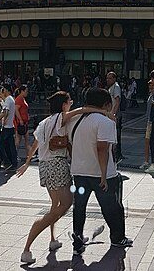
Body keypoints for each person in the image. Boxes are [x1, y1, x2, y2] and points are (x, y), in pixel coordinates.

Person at [17, 91, 84, 265]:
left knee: (55, 205)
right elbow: (81, 111)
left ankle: (52, 239)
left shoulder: (44, 122)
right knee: (66, 204)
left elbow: (35, 145)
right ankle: (30, 241)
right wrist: (101, 111)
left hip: (44, 166)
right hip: (57, 164)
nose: (71, 104)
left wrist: (27, 162)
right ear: (63, 105)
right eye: (69, 102)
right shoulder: (61, 117)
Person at [69, 88, 129, 252]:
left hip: (79, 172)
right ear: (106, 104)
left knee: (79, 207)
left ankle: (78, 238)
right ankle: (118, 238)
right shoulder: (105, 122)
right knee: (111, 207)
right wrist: (103, 174)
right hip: (102, 175)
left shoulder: (75, 120)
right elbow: (102, 149)